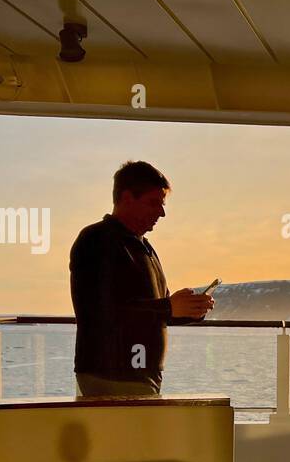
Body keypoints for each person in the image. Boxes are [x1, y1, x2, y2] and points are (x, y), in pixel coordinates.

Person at [70, 161, 213, 396]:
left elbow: (154, 312)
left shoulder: (143, 247)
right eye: (153, 203)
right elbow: (101, 311)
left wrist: (188, 310)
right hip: (113, 375)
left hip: (138, 376)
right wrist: (169, 307)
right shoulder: (96, 240)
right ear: (127, 198)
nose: (161, 212)